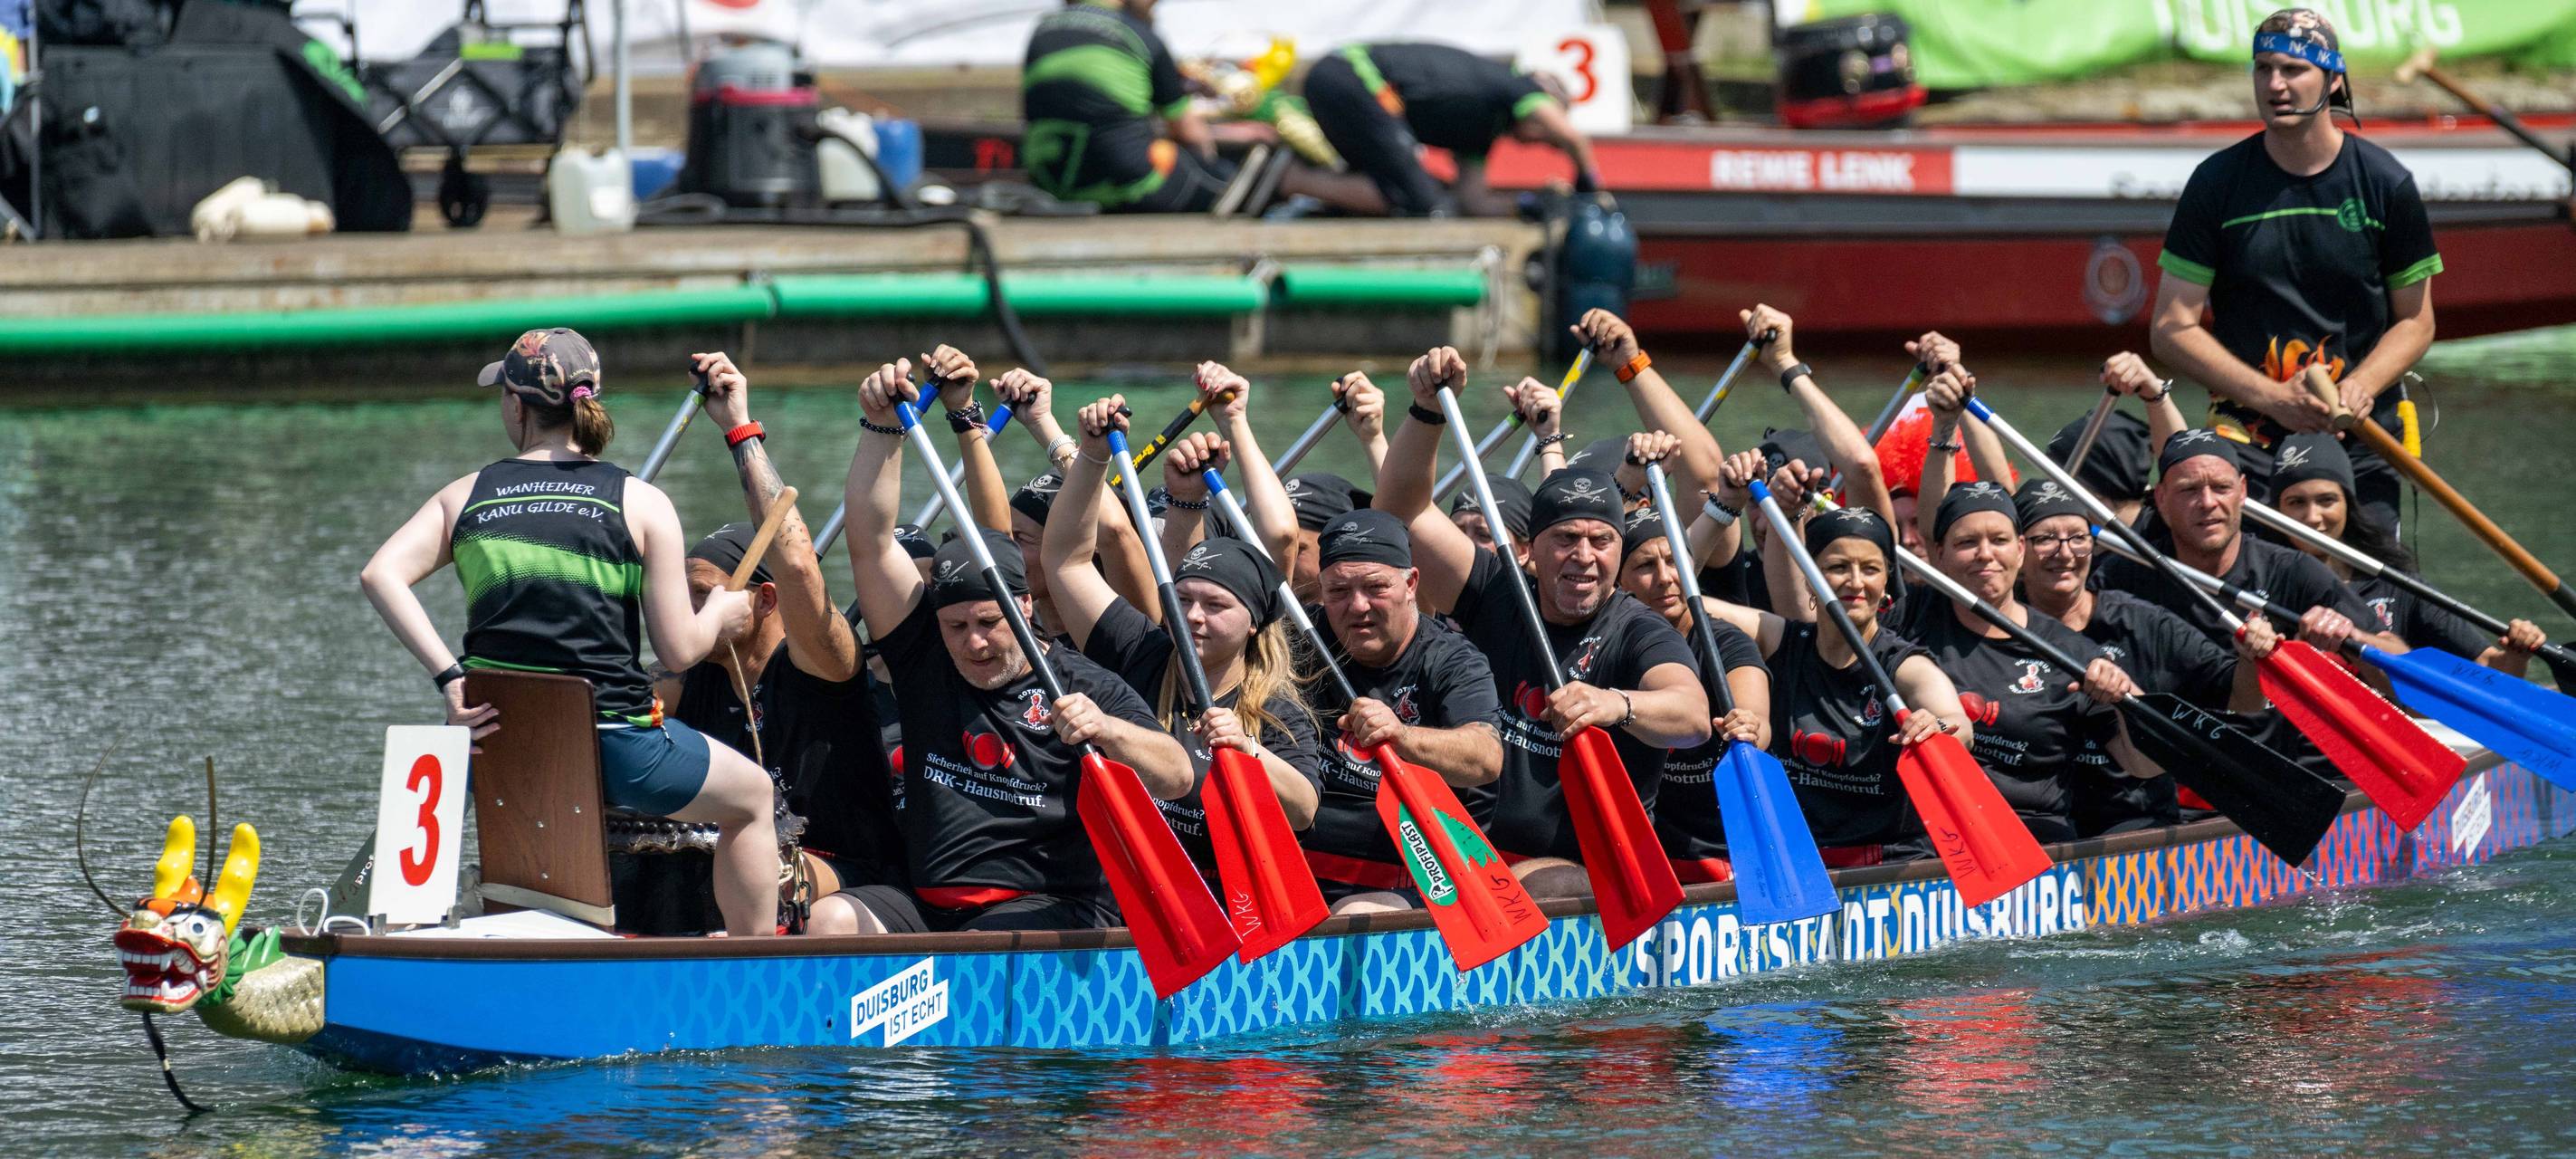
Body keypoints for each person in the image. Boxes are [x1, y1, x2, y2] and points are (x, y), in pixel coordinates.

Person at [358, 329, 777, 937]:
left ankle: (398, 939)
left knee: (437, 766)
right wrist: (721, 612)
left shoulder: (464, 496)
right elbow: (681, 649)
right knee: (755, 799)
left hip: (493, 744)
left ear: (516, 406)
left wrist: (452, 679)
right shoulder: (640, 502)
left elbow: (380, 574)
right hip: (618, 753)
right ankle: (751, 964)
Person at [831, 354, 1194, 934]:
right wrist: (880, 428)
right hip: (930, 906)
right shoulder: (922, 652)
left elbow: (1177, 774)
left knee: (981, 940)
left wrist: (1107, 731)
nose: (974, 644)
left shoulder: (1081, 684)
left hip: (1049, 907)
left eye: (989, 624)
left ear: (1023, 607)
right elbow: (870, 544)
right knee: (831, 920)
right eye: (956, 627)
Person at [1379, 344, 1711, 898]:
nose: (1584, 555)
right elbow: (1403, 512)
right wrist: (1425, 411)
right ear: (1531, 550)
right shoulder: (1495, 590)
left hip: (1586, 875)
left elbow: (1692, 714)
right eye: (1565, 539)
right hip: (1468, 859)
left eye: (1601, 540)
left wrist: (1617, 704)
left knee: (1545, 884)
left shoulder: (1638, 630)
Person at [2151, 7, 2440, 532]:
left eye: (2293, 70)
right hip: (2253, 439)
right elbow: (2172, 329)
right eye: (2263, 69)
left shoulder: (2385, 183)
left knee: (2370, 601)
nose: (2275, 85)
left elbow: (2417, 322)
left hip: (2361, 436)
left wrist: (2362, 385)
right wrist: (2274, 400)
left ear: (2332, 81)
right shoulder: (2215, 185)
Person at [659, 354, 904, 936]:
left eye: (702, 595)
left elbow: (795, 562)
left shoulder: (824, 664)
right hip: (736, 866)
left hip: (849, 873)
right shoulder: (690, 676)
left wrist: (740, 429)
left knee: (767, 868)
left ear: (765, 602)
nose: (687, 612)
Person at [1043, 394, 1325, 885]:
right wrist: (1090, 456)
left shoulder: (1276, 709)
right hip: (1134, 886)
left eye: (1216, 607)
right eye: (1184, 600)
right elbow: (1066, 560)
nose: (1192, 617)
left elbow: (1303, 810)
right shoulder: (1140, 651)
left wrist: (1248, 749)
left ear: (1254, 623)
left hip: (1232, 891)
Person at [1908, 372, 2170, 841]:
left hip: (2035, 836)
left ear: (2022, 550)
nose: (1985, 554)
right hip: (1933, 834)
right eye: (1967, 543)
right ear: (1939, 555)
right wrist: (1945, 428)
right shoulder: (1914, 616)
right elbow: (1923, 515)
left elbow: (2144, 766)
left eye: (1999, 540)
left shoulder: (2070, 651)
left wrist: (2130, 703)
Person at [1693, 459, 1976, 864]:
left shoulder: (1904, 665)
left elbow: (1958, 723)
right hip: (1800, 862)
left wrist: (1938, 728)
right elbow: (1677, 595)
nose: (1855, 582)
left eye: (1870, 569)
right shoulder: (1783, 640)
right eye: (1838, 567)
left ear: (1886, 584)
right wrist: (1724, 506)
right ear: (1811, 578)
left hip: (1890, 862)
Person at [1297, 509, 1506, 912]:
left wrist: (1402, 735)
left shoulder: (1452, 660)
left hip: (1421, 884)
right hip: (1301, 877)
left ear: (1410, 583)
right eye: (1338, 592)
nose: (1357, 606)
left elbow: (1486, 758)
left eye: (1375, 587)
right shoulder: (1298, 638)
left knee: (1357, 913)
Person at [1610, 439, 1771, 884]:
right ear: (1618, 582)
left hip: (1718, 860)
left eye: (1673, 561)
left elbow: (1756, 715)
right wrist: (1626, 478)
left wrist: (1751, 726)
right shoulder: (1607, 642)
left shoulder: (1725, 642)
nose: (1665, 578)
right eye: (1645, 566)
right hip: (1640, 861)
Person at [2269, 432, 2547, 675]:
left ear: (2348, 506)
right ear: (2277, 511)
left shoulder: (2397, 584)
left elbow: (2489, 669)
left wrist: (2516, 654)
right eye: (2296, 503)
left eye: (2326, 500)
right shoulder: (2262, 579)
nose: (2312, 517)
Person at [1298, 41, 1600, 217]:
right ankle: (1290, 179)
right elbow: (1573, 138)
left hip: (1342, 83)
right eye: (1547, 139)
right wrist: (1588, 187)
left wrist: (1528, 204)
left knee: (1423, 194)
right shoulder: (1518, 88)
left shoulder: (1481, 131)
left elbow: (1472, 200)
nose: (1542, 143)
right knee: (1418, 199)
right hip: (1351, 76)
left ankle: (1292, 181)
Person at [1020, 0, 1232, 213]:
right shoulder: (1139, 35)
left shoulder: (1042, 30)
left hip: (1049, 183)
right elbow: (1190, 133)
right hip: (1127, 184)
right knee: (1224, 181)